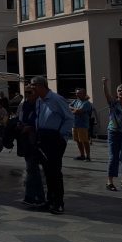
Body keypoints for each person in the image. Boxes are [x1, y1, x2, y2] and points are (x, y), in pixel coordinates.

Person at [31, 76, 73, 214]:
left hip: (54, 138)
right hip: (42, 137)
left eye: (33, 85)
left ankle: (58, 202)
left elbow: (68, 118)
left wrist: (62, 137)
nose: (31, 88)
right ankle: (50, 200)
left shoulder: (56, 99)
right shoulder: (38, 100)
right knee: (47, 171)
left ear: (41, 85)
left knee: (55, 171)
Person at [16, 84, 46, 206]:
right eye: (26, 92)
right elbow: (20, 118)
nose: (28, 95)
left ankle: (31, 196)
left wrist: (32, 127)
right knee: (33, 169)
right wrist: (19, 124)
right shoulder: (24, 105)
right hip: (26, 139)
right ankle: (38, 197)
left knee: (32, 168)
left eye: (30, 92)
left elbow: (43, 121)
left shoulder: (41, 105)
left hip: (36, 139)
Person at [70, 88, 93, 162]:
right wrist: (75, 109)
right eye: (77, 93)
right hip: (75, 124)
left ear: (84, 94)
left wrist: (74, 110)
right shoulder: (76, 101)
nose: (77, 94)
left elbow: (79, 111)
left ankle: (88, 156)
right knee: (78, 140)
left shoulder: (86, 103)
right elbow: (68, 107)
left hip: (83, 125)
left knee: (85, 141)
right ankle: (82, 155)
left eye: (79, 93)